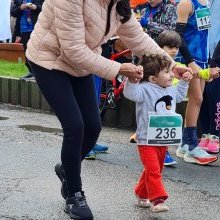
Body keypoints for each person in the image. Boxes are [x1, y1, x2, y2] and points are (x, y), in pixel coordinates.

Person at [25, 0, 192, 219]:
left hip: (81, 64)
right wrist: (118, 68)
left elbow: (139, 39)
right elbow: (73, 49)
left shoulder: (118, 4)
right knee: (75, 126)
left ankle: (67, 167)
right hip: (49, 60)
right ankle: (74, 194)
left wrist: (172, 66)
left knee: (93, 127)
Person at [123, 53, 192, 212]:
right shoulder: (144, 89)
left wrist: (183, 81)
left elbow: (180, 96)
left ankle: (141, 193)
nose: (171, 74)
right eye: (167, 72)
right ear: (153, 78)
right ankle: (158, 200)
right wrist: (133, 80)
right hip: (146, 141)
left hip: (163, 140)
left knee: (153, 170)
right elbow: (130, 94)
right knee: (154, 171)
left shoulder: (170, 89)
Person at [132, 0, 178, 166]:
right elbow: (136, 35)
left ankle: (158, 146)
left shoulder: (169, 8)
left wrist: (147, 23)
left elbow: (169, 31)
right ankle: (144, 137)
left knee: (161, 104)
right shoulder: (143, 9)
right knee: (146, 99)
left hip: (162, 61)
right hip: (146, 61)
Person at [175, 0, 218, 165]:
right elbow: (178, 35)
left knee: (196, 101)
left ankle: (186, 143)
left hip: (201, 58)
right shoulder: (186, 3)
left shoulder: (205, 3)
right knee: (197, 99)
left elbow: (204, 34)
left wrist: (207, 62)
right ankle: (191, 145)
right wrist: (190, 61)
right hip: (188, 59)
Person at [198, 0, 220, 153]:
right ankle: (205, 134)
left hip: (217, 57)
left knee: (215, 97)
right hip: (202, 56)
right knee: (202, 97)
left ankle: (216, 136)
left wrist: (216, 60)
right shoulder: (203, 2)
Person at [10, 0, 44, 80]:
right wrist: (20, 8)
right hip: (23, 29)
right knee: (26, 50)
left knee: (37, 50)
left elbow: (46, 9)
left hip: (36, 28)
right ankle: (31, 71)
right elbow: (13, 12)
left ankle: (39, 73)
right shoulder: (19, 0)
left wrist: (36, 7)